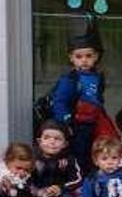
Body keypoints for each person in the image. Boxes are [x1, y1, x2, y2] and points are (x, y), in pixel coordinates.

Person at [50, 17, 117, 173]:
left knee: (95, 150)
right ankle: (79, 181)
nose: (84, 61)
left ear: (96, 57)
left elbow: (97, 99)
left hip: (93, 122)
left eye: (89, 56)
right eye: (79, 57)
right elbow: (59, 102)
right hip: (77, 124)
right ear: (71, 58)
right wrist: (67, 121)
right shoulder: (70, 79)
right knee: (78, 154)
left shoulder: (97, 77)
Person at [31, 120, 83, 197]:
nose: (52, 142)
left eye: (57, 139)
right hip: (38, 195)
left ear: (65, 144)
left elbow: (77, 178)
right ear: (39, 141)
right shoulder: (32, 158)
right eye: (47, 137)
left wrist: (61, 188)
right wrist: (38, 191)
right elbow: (26, 179)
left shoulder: (69, 159)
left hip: (60, 193)